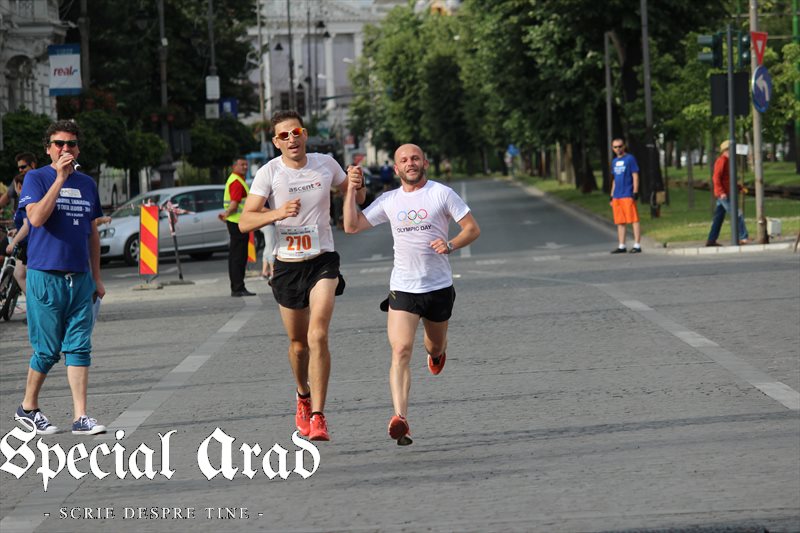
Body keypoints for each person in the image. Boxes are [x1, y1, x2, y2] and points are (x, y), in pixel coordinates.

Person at [239, 110, 367, 442]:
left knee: (318, 335)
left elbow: (355, 196)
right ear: (276, 142)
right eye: (284, 135)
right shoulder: (269, 173)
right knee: (298, 346)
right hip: (287, 265)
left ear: (305, 134)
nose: (291, 139)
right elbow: (244, 221)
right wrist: (278, 212)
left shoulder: (326, 164)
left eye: (296, 132)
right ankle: (302, 394)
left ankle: (319, 416)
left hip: (322, 260)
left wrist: (357, 183)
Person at [343, 144, 480, 445]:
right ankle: (400, 418)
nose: (410, 163)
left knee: (434, 345)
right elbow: (351, 226)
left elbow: (472, 229)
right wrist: (351, 190)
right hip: (403, 288)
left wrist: (451, 245)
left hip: (438, 287)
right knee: (401, 350)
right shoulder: (389, 200)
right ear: (396, 169)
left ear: (425, 163)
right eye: (404, 160)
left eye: (415, 158)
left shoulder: (441, 193)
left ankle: (437, 354)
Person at [14, 119, 106, 436]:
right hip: (45, 275)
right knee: (47, 350)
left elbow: (93, 234)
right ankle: (28, 407)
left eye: (71, 144)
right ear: (49, 149)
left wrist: (96, 278)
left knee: (79, 346)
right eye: (59, 144)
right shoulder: (36, 178)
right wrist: (60, 179)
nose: (65, 148)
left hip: (79, 276)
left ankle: (81, 416)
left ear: (78, 149)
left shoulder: (87, 184)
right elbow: (37, 218)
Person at [218, 157, 255, 297]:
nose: (245, 167)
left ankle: (238, 287)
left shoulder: (237, 179)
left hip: (236, 222)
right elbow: (234, 204)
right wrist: (226, 215)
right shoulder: (236, 182)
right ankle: (238, 288)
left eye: (246, 164)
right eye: (242, 164)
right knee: (238, 257)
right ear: (234, 166)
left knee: (236, 256)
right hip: (238, 223)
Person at [706, 140, 749, 246]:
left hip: (726, 193)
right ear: (726, 150)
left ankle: (711, 240)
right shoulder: (722, 161)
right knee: (736, 213)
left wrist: (739, 187)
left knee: (718, 218)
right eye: (731, 149)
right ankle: (743, 237)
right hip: (724, 195)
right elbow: (716, 177)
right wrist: (721, 192)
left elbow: (729, 179)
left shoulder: (729, 161)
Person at [609, 138, 642, 254]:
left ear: (624, 146)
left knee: (633, 219)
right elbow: (614, 180)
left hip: (627, 194)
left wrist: (635, 192)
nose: (618, 149)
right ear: (612, 148)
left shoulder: (630, 159)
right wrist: (611, 195)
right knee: (620, 221)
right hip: (617, 195)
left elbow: (635, 176)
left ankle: (637, 245)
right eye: (615, 147)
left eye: (620, 146)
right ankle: (622, 245)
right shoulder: (614, 162)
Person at [5, 173, 30, 295]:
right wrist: (16, 230)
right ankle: (32, 301)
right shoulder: (25, 199)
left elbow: (27, 225)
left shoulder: (24, 200)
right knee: (19, 273)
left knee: (27, 277)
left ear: (19, 185)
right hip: (26, 244)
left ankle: (34, 302)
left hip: (29, 244)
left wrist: (13, 243)